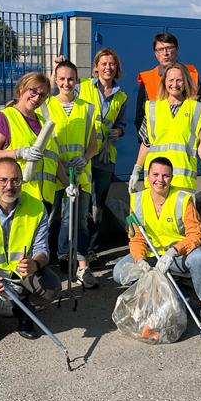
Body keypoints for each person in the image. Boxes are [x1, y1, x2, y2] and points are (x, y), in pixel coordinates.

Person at [0, 158, 61, 345]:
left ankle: (25, 312)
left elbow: (42, 249)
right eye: (3, 180)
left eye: (15, 180)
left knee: (51, 286)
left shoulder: (37, 207)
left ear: (22, 181)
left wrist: (35, 263)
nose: (10, 186)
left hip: (21, 272)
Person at [113, 156, 201, 329]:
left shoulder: (182, 199)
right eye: (155, 174)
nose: (160, 180)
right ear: (148, 176)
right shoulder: (138, 200)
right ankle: (152, 297)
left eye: (166, 176)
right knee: (119, 272)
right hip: (151, 256)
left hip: (177, 257)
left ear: (171, 177)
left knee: (200, 258)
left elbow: (196, 235)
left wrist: (173, 252)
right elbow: (136, 237)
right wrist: (140, 260)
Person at [40, 59, 98, 286]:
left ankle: (81, 263)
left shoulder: (87, 108)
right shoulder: (45, 106)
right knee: (54, 219)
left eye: (70, 79)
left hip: (81, 175)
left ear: (77, 80)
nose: (66, 83)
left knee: (80, 221)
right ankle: (56, 259)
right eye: (62, 78)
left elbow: (93, 142)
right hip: (54, 174)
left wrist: (85, 157)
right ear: (55, 79)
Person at [129, 62, 201, 195]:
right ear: (164, 82)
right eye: (171, 80)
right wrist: (136, 170)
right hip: (157, 180)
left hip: (183, 181)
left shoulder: (195, 109)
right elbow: (146, 143)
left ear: (186, 82)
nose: (174, 84)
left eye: (179, 80)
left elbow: (200, 142)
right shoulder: (153, 108)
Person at [76, 48, 128, 259]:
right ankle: (78, 249)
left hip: (106, 157)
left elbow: (122, 124)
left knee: (98, 206)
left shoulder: (121, 96)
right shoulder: (83, 88)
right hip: (85, 154)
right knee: (83, 202)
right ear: (96, 67)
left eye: (112, 64)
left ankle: (91, 250)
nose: (108, 67)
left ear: (117, 68)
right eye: (104, 64)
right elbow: (62, 99)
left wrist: (118, 131)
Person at [0, 72, 63, 208]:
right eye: (33, 91)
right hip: (18, 197)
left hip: (45, 198)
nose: (37, 97)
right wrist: (19, 153)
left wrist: (68, 184)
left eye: (42, 95)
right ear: (21, 89)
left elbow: (54, 159)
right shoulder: (5, 117)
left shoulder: (44, 123)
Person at [134, 32, 201, 134]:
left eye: (169, 48)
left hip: (187, 141)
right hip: (157, 142)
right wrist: (145, 142)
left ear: (177, 50)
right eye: (160, 49)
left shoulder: (192, 75)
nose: (165, 53)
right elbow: (140, 117)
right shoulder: (147, 79)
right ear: (155, 53)